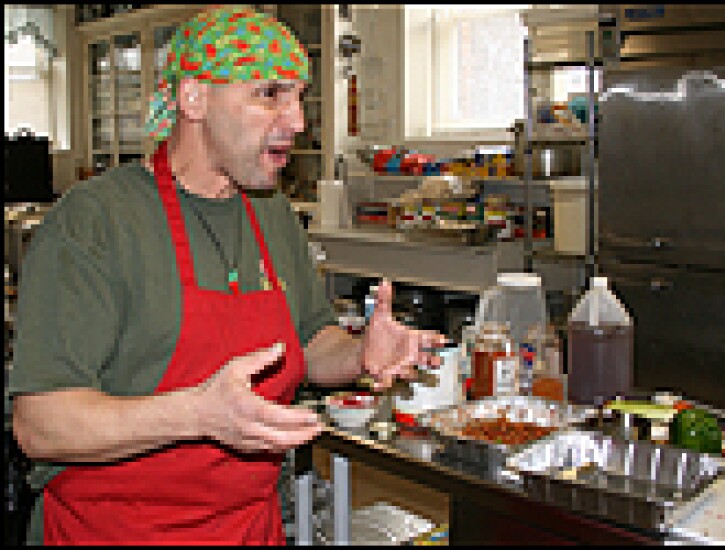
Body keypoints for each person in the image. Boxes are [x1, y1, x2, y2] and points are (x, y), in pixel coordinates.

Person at [8, 6, 446, 545]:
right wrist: (196, 414)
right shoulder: (97, 222)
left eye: (298, 97)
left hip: (245, 529)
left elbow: (309, 340)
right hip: (114, 531)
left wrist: (359, 353)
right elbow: (41, 425)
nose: (297, 121)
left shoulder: (272, 213)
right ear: (194, 98)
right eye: (270, 94)